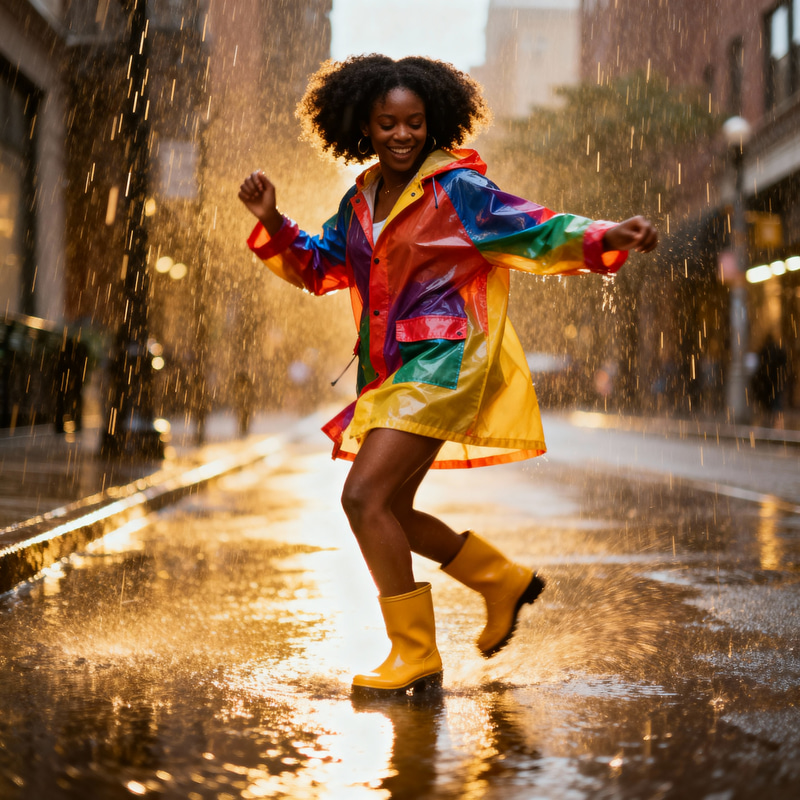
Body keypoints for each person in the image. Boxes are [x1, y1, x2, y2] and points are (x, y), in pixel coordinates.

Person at [238, 54, 658, 697]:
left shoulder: (457, 190)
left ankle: (414, 653)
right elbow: (321, 269)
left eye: (414, 122)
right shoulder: (359, 200)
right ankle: (500, 581)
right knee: (390, 510)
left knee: (362, 498)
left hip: (444, 364)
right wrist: (272, 219)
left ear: (433, 123)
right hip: (393, 373)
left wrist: (605, 235)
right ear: (363, 126)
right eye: (387, 123)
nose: (402, 134)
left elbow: (535, 229)